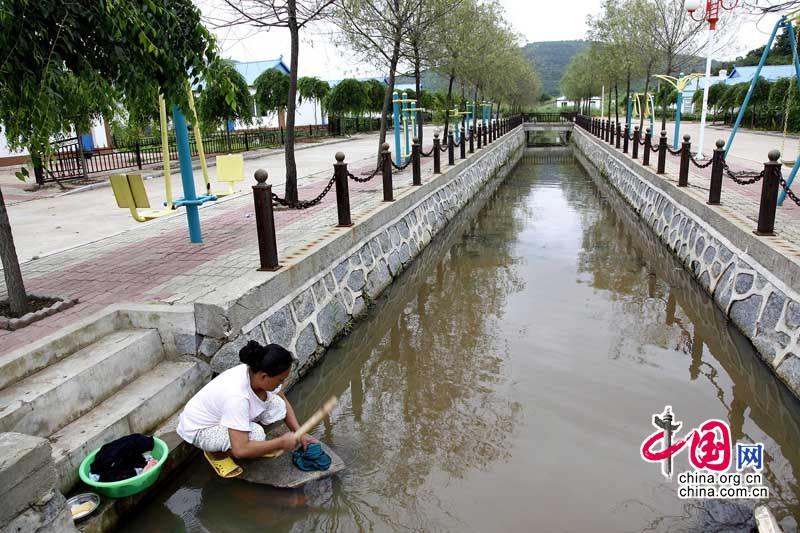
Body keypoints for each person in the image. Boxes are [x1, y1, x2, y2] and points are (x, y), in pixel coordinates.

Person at [176, 340, 316, 477]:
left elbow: (283, 401)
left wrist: (299, 432)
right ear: (264, 376)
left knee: (278, 405)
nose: (282, 383)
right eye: (280, 380)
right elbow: (240, 450)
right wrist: (279, 443)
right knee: (256, 436)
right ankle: (217, 453)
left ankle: (249, 442)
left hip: (223, 414)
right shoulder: (237, 397)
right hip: (200, 428)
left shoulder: (256, 372)